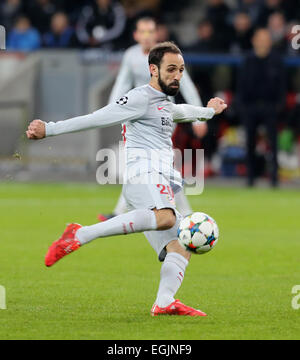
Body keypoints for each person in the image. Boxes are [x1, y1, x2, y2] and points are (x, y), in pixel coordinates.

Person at [26, 41, 227, 316]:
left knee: (180, 245)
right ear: (153, 70)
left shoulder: (163, 103)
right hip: (143, 173)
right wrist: (49, 129)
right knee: (167, 217)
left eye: (181, 69)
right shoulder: (138, 98)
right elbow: (96, 118)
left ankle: (165, 302)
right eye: (171, 69)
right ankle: (80, 234)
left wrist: (208, 111)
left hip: (158, 179)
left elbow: (178, 113)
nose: (177, 75)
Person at [98, 17, 208, 222]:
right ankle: (186, 214)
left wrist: (199, 118)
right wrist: (111, 110)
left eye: (151, 32)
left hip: (164, 115)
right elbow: (122, 84)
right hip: (140, 117)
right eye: (143, 32)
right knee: (148, 165)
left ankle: (122, 212)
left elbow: (187, 85)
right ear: (136, 35)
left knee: (151, 165)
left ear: (156, 34)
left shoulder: (168, 56)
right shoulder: (131, 55)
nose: (147, 36)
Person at [237, 28, 286, 187]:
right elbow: (241, 86)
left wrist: (279, 105)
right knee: (250, 143)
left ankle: (274, 177)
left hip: (270, 107)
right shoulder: (248, 60)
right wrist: (242, 106)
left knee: (273, 143)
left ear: (270, 41)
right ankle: (250, 177)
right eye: (260, 38)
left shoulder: (276, 60)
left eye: (266, 39)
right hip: (251, 107)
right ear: (254, 41)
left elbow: (282, 86)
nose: (263, 42)